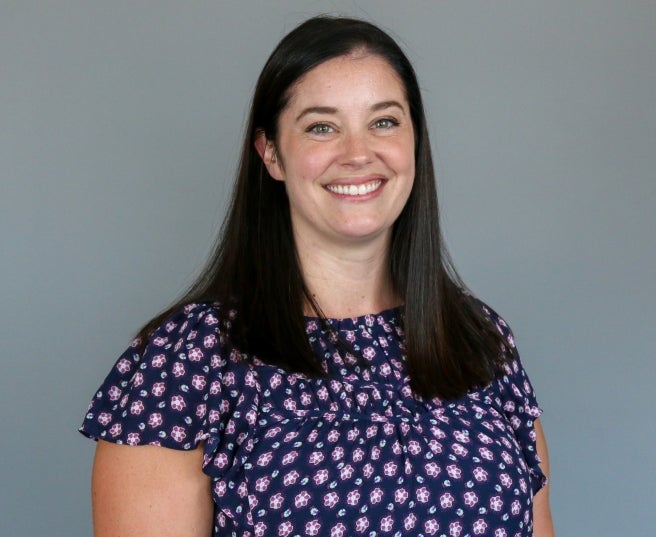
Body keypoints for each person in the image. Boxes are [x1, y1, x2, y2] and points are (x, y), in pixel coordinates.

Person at [80, 15, 554, 537]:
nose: (358, 154)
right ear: (272, 153)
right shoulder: (187, 361)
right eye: (322, 127)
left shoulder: (480, 341)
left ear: (415, 142)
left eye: (384, 122)